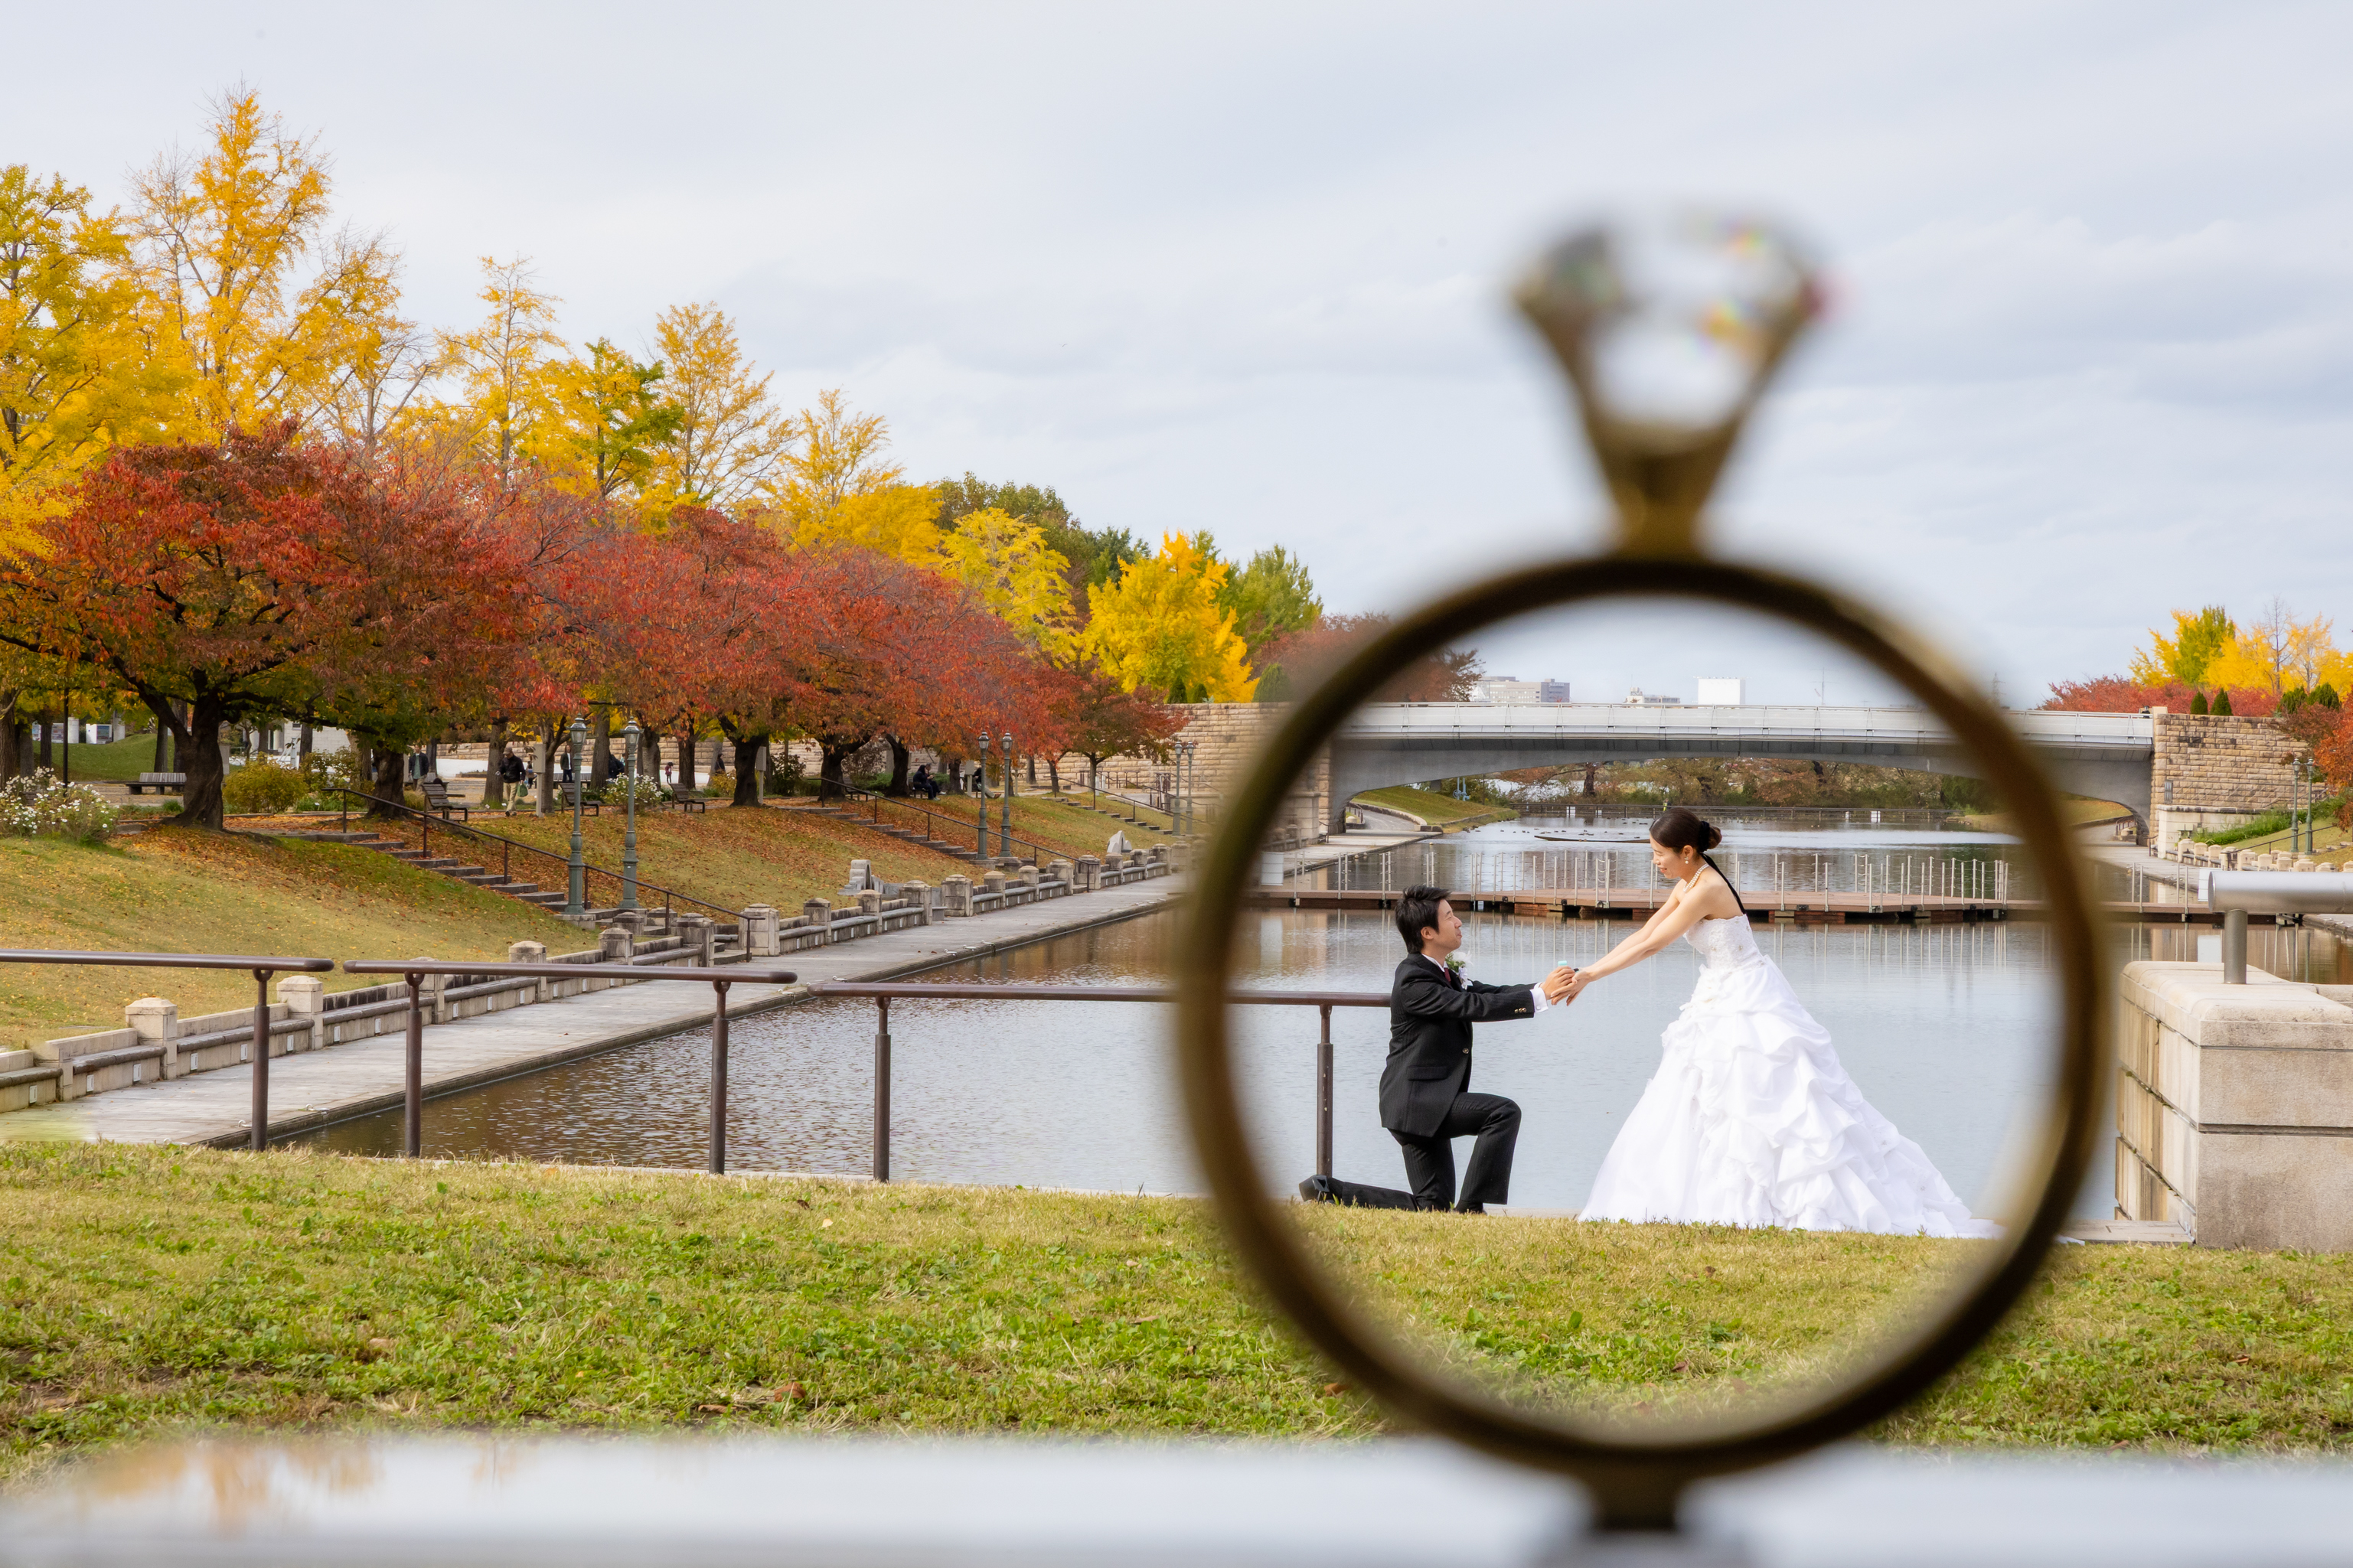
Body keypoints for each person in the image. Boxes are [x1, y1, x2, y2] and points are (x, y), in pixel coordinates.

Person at [1568, 807, 1997, 1236]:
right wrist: (1587, 972)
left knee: (1760, 1098)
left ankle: (1776, 1201)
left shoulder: (1706, 888)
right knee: (1705, 1092)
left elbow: (1653, 947)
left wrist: (1591, 977)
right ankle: (1693, 1198)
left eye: (1660, 854)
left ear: (1687, 850)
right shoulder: (1691, 881)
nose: (1655, 862)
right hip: (1720, 992)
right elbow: (1642, 934)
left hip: (1747, 997)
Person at [1300, 885, 1575, 1214]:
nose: (1459, 922)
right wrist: (1539, 996)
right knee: (1502, 1113)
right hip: (1417, 1102)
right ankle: (1471, 1209)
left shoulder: (1443, 971)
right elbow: (1471, 1006)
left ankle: (1326, 1192)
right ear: (1427, 932)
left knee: (1432, 1207)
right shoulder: (1414, 979)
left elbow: (1490, 993)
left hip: (1420, 1103)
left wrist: (1543, 990)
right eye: (1449, 917)